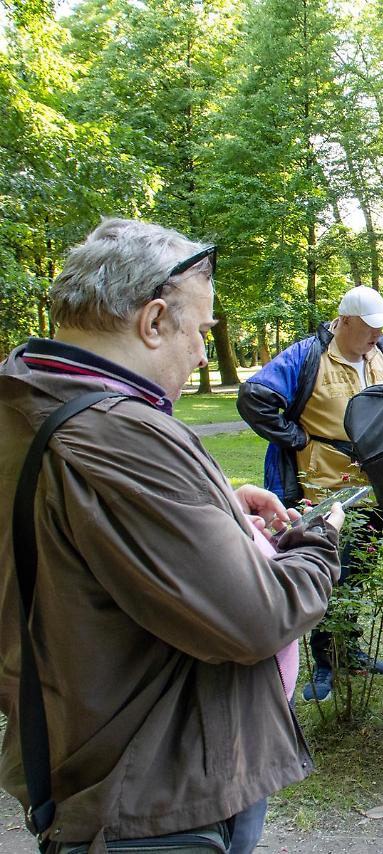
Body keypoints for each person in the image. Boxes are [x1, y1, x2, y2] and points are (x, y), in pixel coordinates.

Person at [0, 218, 342, 852]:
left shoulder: (27, 401)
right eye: (201, 332)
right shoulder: (120, 435)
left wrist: (211, 508)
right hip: (153, 791)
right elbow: (256, 619)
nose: (205, 355)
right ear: (154, 322)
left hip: (80, 750)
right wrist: (317, 540)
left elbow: (70, 538)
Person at [238, 285, 383, 700]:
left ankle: (347, 650)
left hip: (372, 489)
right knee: (324, 572)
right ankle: (323, 664)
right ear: (345, 321)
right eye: (370, 328)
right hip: (320, 490)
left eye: (381, 329)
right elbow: (254, 397)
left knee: (360, 569)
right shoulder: (307, 356)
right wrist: (295, 438)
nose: (378, 335)